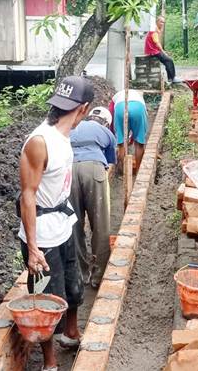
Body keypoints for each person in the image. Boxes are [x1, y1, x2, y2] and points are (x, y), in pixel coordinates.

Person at [18, 76, 94, 370]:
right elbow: (28, 195)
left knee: (74, 288)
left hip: (63, 225)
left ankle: (71, 333)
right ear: (83, 109)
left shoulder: (62, 136)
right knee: (48, 300)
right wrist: (33, 248)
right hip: (43, 235)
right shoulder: (40, 142)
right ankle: (49, 363)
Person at [69, 107, 117, 289]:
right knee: (100, 224)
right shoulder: (105, 131)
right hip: (94, 169)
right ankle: (98, 275)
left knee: (74, 223)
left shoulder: (72, 126)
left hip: (70, 170)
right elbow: (110, 162)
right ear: (105, 122)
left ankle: (81, 274)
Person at [109, 89, 148, 172]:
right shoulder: (139, 97)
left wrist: (114, 135)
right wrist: (134, 138)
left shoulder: (115, 98)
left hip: (120, 108)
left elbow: (111, 119)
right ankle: (138, 170)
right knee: (139, 144)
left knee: (121, 143)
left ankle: (123, 170)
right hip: (138, 108)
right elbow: (141, 126)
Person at [144, 15, 182, 84]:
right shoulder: (154, 31)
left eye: (163, 22)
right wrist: (163, 52)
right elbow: (157, 43)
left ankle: (171, 78)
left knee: (168, 60)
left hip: (153, 50)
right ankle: (172, 78)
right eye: (161, 22)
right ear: (157, 22)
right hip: (152, 52)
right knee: (169, 60)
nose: (162, 24)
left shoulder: (155, 29)